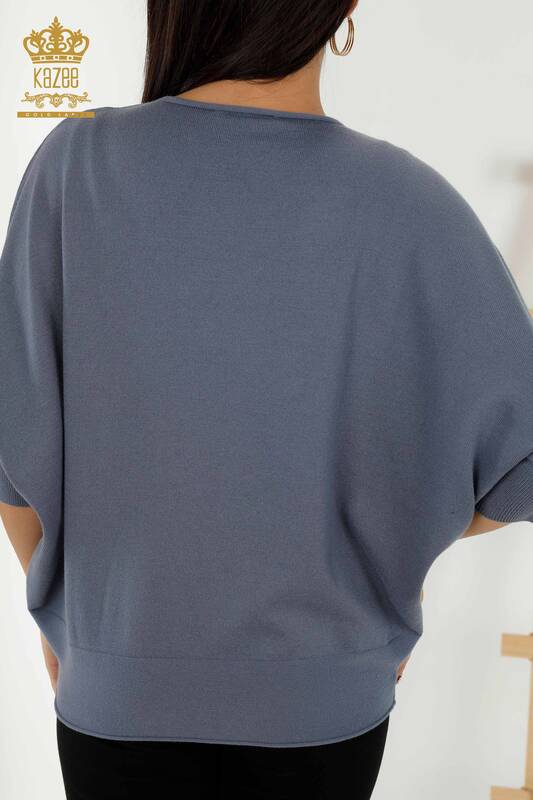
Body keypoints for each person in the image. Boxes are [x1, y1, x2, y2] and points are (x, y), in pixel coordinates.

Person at [1, 1, 533, 797]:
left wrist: (75, 627)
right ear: (343, 9)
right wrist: (386, 557)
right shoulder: (406, 200)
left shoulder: (75, 168)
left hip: (117, 691)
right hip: (325, 701)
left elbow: (14, 444)